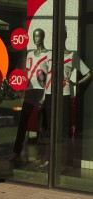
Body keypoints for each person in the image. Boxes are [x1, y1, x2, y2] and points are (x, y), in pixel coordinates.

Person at [39, 28, 92, 168]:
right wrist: (42, 84)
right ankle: (50, 159)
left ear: (66, 36)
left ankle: (63, 162)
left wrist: (75, 83)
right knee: (50, 128)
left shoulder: (72, 56)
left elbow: (88, 73)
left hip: (64, 94)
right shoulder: (49, 54)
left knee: (63, 129)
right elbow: (41, 72)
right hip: (50, 94)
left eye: (61, 35)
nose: (58, 38)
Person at [11, 28, 49, 160]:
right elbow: (27, 71)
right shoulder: (30, 54)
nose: (35, 39)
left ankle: (43, 155)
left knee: (41, 124)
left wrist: (46, 93)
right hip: (30, 90)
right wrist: (22, 87)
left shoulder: (48, 55)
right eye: (34, 36)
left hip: (41, 91)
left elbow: (50, 76)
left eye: (37, 36)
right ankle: (16, 152)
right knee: (23, 121)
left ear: (43, 37)